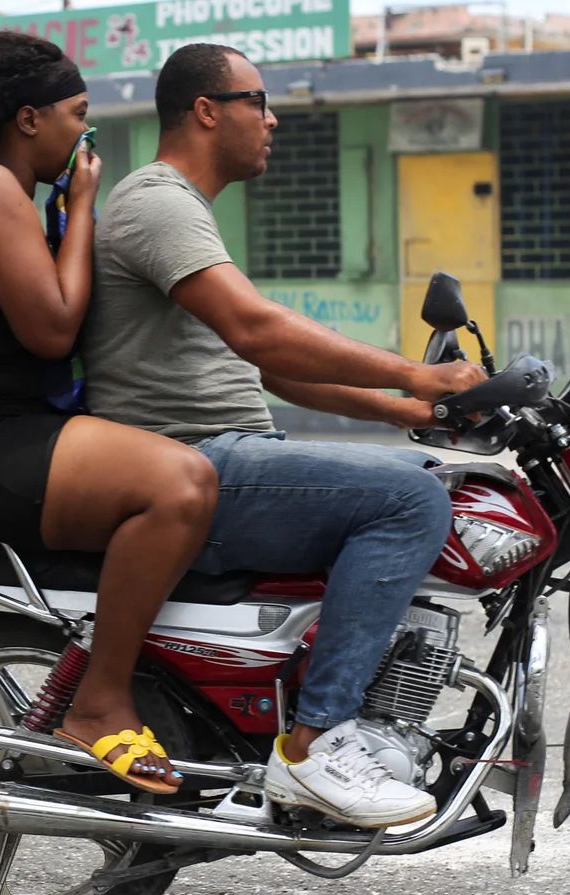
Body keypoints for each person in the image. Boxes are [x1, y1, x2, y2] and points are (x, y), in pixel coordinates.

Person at [84, 43, 488, 828]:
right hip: (190, 465)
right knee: (409, 501)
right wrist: (418, 374)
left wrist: (415, 412)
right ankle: (315, 746)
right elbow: (261, 333)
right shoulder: (157, 202)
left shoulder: (183, 210)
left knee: (436, 477)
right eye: (257, 101)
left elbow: (270, 370)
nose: (271, 121)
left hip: (225, 452)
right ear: (206, 110)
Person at [0, 30, 219, 793]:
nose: (87, 133)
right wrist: (80, 206)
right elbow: (52, 325)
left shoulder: (12, 193)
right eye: (78, 114)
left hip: (18, 429)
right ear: (28, 118)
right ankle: (99, 700)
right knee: (181, 485)